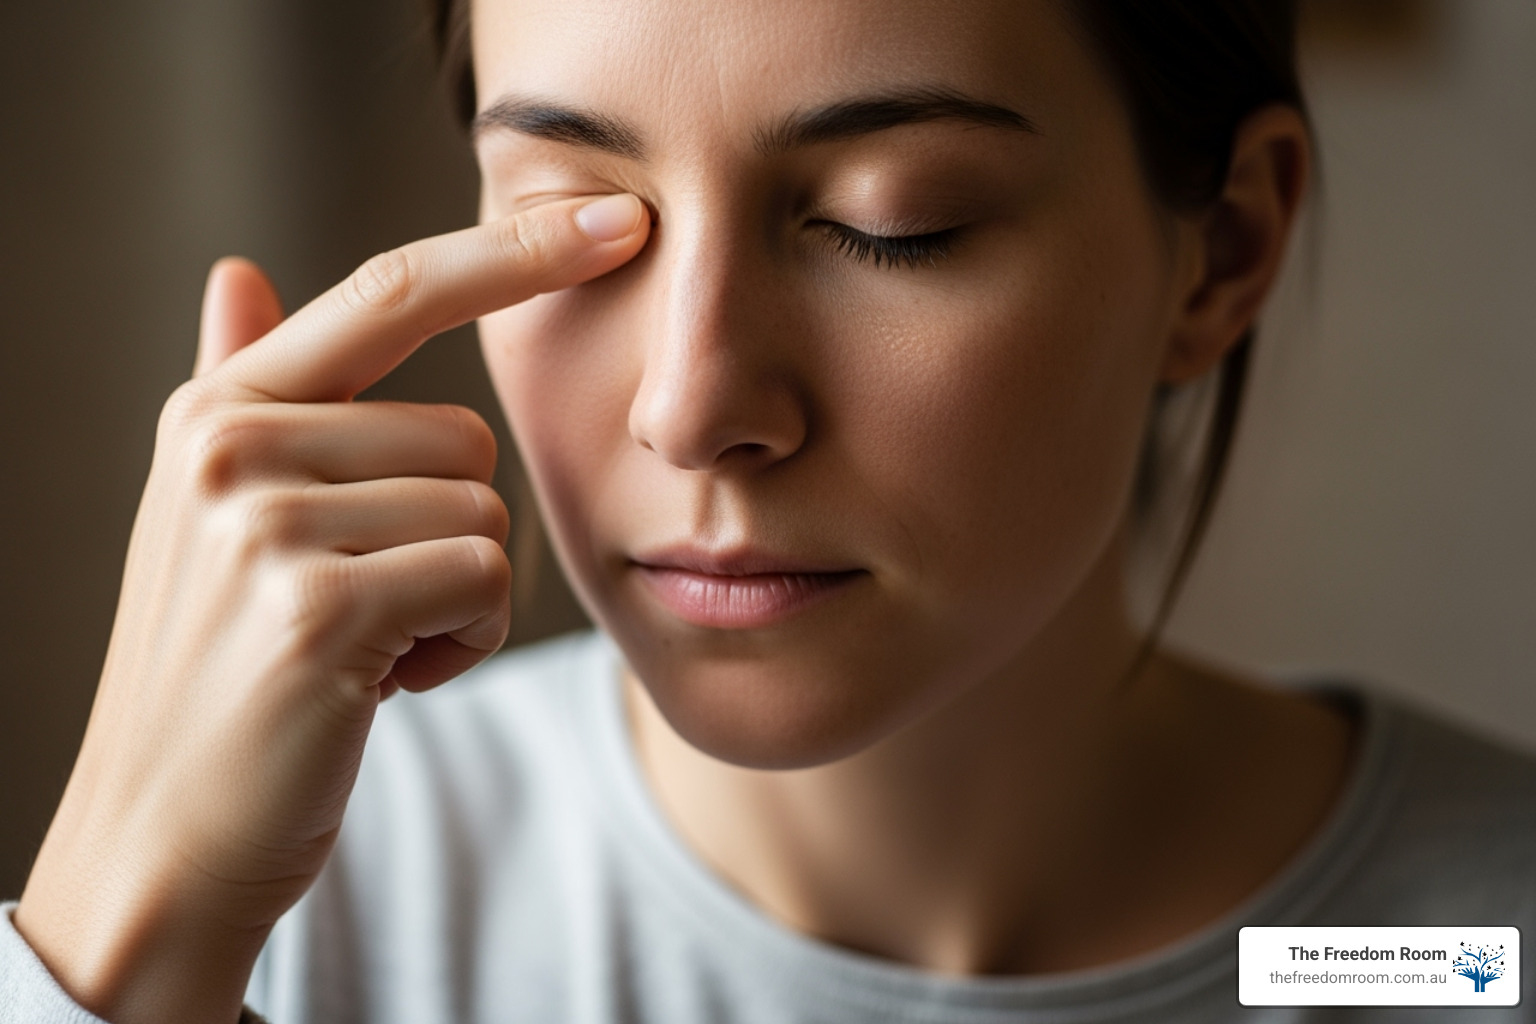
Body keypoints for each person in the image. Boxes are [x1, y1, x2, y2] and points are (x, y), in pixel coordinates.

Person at [3, 0, 1533, 1021]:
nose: (690, 403)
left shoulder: (1470, 947)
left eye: (895, 226)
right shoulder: (303, 900)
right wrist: (114, 942)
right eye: (568, 223)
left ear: (1223, 252)